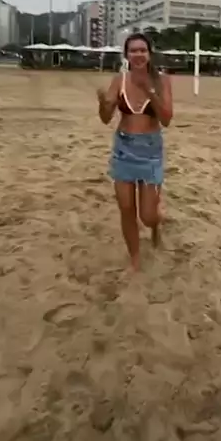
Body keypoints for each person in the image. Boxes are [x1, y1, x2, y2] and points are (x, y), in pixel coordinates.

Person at [97, 34, 173, 271]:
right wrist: (103, 104)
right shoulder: (119, 80)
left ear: (149, 54)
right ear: (126, 55)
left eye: (142, 50)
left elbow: (166, 119)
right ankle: (135, 258)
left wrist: (149, 90)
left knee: (148, 216)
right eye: (133, 50)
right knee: (126, 208)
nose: (138, 54)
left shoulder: (162, 81)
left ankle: (156, 224)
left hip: (150, 151)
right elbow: (105, 118)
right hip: (124, 149)